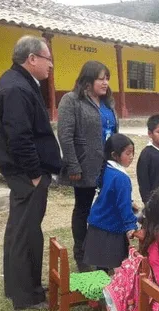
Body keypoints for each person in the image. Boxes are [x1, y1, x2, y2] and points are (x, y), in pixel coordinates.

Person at [0, 35, 61, 311]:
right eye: (48, 59)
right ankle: (27, 295)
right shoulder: (16, 88)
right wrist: (34, 173)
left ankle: (18, 285)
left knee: (18, 230)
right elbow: (19, 138)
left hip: (24, 173)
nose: (51, 66)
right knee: (27, 233)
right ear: (32, 59)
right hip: (27, 174)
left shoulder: (17, 83)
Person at [57, 60, 119, 272]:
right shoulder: (72, 100)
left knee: (105, 209)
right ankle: (82, 256)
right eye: (101, 78)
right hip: (84, 165)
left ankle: (103, 255)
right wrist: (73, 165)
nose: (105, 82)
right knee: (83, 209)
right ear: (88, 79)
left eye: (107, 78)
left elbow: (114, 133)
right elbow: (65, 136)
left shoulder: (108, 102)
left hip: (107, 165)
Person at [83, 134, 137, 271]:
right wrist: (131, 226)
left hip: (97, 224)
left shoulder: (106, 169)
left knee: (100, 267)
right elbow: (123, 206)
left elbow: (111, 195)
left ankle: (101, 290)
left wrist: (129, 202)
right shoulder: (121, 178)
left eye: (133, 153)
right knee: (115, 266)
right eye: (128, 153)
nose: (131, 157)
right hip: (110, 228)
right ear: (115, 155)